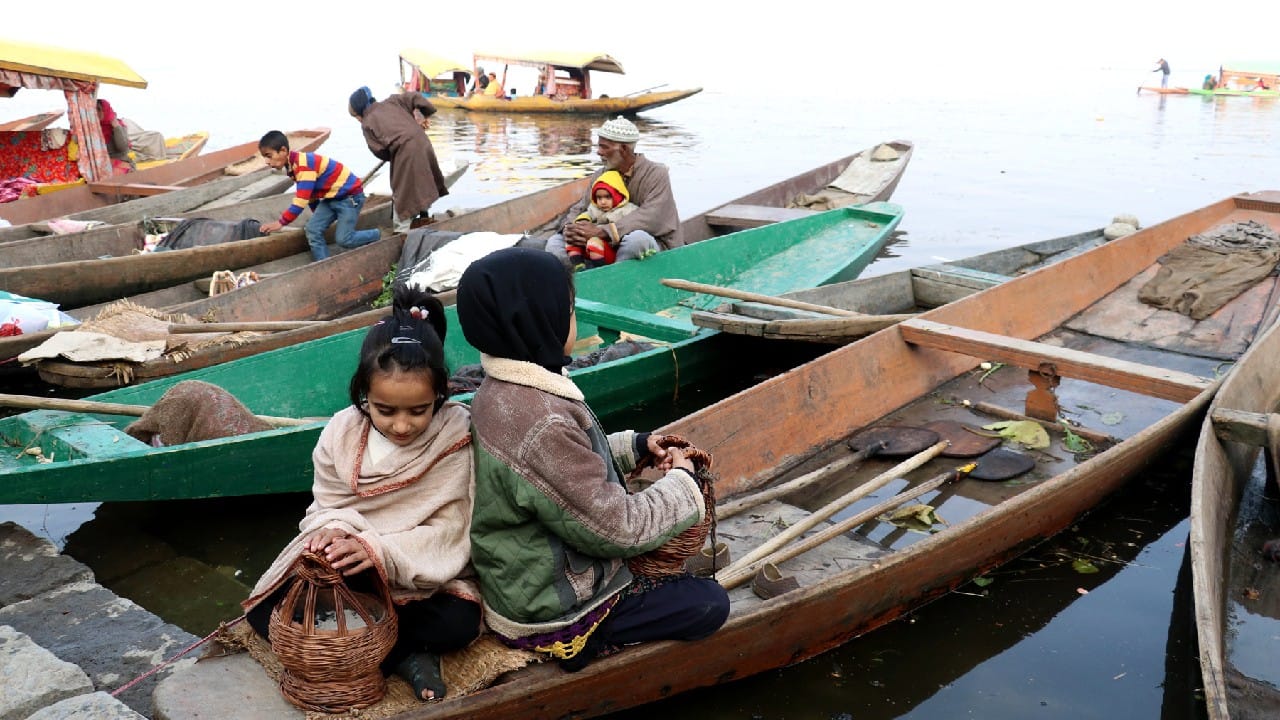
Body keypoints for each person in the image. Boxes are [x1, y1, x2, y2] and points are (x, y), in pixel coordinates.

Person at [455, 247, 729, 673]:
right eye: (568, 309)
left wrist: (634, 445)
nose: (572, 318)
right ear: (537, 320)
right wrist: (683, 483)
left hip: (519, 574)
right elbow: (616, 530)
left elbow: (559, 470)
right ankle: (582, 642)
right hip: (547, 603)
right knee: (708, 604)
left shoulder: (500, 389)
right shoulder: (539, 418)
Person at [241, 285, 480, 701]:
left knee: (456, 624)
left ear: (440, 394)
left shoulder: (456, 433)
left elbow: (453, 530)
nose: (401, 425)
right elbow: (325, 506)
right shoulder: (341, 430)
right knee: (267, 613)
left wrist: (377, 551)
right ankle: (404, 654)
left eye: (418, 410)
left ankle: (396, 651)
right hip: (350, 572)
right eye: (385, 410)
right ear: (362, 394)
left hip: (420, 578)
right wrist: (332, 534)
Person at [544, 116, 682, 268]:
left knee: (637, 241)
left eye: (604, 147)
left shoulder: (656, 173)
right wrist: (572, 228)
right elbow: (581, 207)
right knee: (554, 243)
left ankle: (612, 281)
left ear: (624, 149)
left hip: (654, 244)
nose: (599, 152)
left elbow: (652, 217)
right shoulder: (600, 175)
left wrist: (604, 231)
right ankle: (579, 282)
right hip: (601, 244)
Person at [257, 130, 381, 261]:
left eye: (269, 156)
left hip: (349, 198)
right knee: (312, 229)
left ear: (283, 151)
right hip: (331, 198)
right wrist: (319, 217)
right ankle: (323, 263)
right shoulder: (292, 167)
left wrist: (281, 223)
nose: (266, 161)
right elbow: (311, 196)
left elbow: (301, 201)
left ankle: (376, 234)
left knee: (344, 239)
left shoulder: (304, 165)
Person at [349, 87, 450, 233]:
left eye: (357, 116)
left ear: (361, 111)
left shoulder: (367, 123)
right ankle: (423, 218)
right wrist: (421, 117)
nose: (358, 119)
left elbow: (380, 151)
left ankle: (402, 232)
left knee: (401, 194)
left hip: (405, 152)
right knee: (422, 181)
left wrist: (395, 151)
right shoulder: (394, 101)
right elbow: (417, 98)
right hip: (423, 143)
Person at [567, 170, 637, 269]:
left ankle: (600, 269)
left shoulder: (626, 210)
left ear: (617, 196)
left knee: (594, 243)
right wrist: (581, 223)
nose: (603, 202)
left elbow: (632, 224)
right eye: (599, 198)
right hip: (591, 246)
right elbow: (587, 214)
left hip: (612, 249)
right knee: (572, 240)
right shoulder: (595, 208)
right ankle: (578, 265)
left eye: (608, 197)